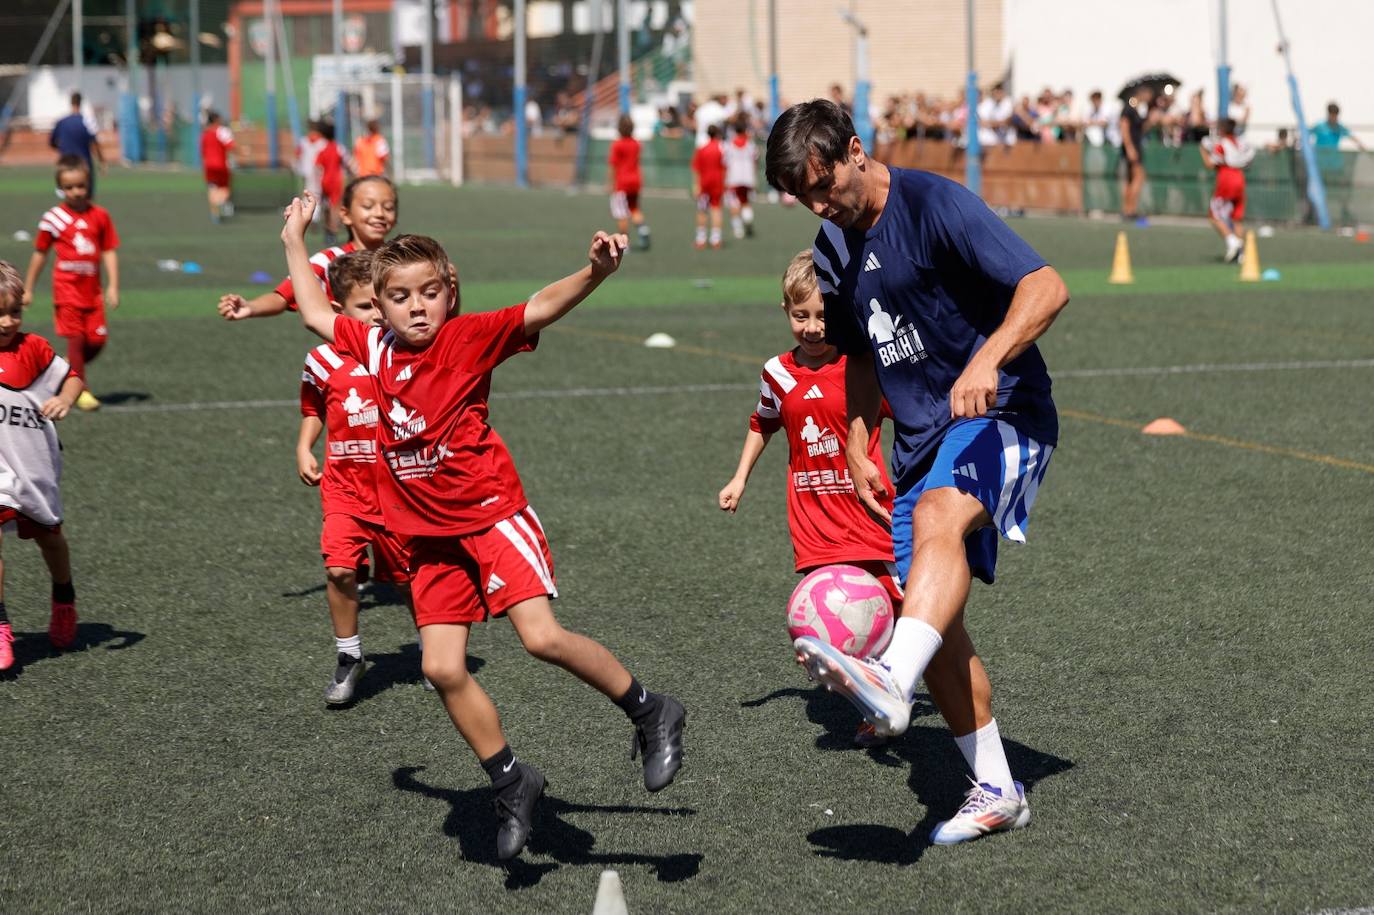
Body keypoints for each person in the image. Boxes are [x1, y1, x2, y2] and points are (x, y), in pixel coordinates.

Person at [280, 192, 687, 861]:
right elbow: (314, 309)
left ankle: (650, 709)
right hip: (429, 539)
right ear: (377, 306)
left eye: (431, 292)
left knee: (541, 637)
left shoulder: (467, 339)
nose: (418, 306)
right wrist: (294, 240)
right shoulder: (371, 346)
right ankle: (511, 778)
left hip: (491, 517)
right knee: (441, 667)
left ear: (451, 294)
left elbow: (539, 305)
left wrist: (595, 272)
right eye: (403, 295)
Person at [765, 99, 1069, 845]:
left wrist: (988, 359)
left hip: (1006, 411)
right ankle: (997, 787)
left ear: (856, 150)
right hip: (918, 443)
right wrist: (862, 439)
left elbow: (1046, 286)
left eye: (823, 183)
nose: (818, 202)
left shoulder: (935, 203)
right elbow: (864, 353)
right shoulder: (833, 247)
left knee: (937, 524)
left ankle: (888, 680)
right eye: (803, 196)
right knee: (935, 627)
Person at [717, 250, 899, 747]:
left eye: (823, 316)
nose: (813, 328)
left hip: (869, 509)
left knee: (893, 608)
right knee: (833, 618)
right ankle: (872, 706)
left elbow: (903, 414)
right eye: (802, 316)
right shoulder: (776, 373)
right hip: (813, 517)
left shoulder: (859, 367)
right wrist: (740, 479)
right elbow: (764, 424)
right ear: (785, 312)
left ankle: (892, 682)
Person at [296, 250, 415, 704]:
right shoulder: (322, 362)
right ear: (337, 308)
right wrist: (304, 445)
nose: (375, 315)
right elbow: (312, 406)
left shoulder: (400, 352)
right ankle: (349, 657)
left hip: (399, 491)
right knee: (340, 568)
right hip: (344, 489)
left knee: (407, 579)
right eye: (364, 306)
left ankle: (431, 648)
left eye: (380, 304)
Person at [0, 260, 86, 672]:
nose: (7, 321)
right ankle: (0, 624)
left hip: (33, 461)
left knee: (50, 537)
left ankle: (64, 596)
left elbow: (71, 378)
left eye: (14, 311)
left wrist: (65, 399)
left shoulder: (32, 348)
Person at [217, 174, 397, 320]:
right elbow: (283, 296)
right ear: (345, 214)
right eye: (368, 206)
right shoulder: (330, 260)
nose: (379, 213)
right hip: (352, 359)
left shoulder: (401, 259)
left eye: (388, 207)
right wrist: (250, 307)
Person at [22, 156, 118, 412]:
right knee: (76, 342)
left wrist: (113, 285)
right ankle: (81, 391)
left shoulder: (100, 216)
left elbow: (108, 250)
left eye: (80, 186)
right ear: (60, 189)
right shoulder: (53, 218)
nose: (76, 192)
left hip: (93, 294)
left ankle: (63, 368)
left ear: (89, 184)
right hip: (67, 293)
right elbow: (40, 253)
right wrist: (29, 288)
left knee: (97, 342)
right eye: (69, 187)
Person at [1201, 118, 1254, 263]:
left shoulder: (1222, 144)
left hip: (1227, 178)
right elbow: (1249, 159)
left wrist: (1203, 151)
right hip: (1239, 178)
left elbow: (1210, 164)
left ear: (1222, 130)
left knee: (1214, 216)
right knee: (1236, 219)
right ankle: (1241, 254)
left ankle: (1233, 243)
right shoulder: (1239, 143)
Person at [607, 114, 651, 251]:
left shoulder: (617, 144)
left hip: (622, 182)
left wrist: (610, 184)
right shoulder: (637, 144)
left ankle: (624, 244)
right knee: (634, 208)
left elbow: (613, 165)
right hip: (635, 180)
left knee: (621, 213)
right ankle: (643, 229)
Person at [49, 93, 105, 198]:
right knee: (85, 198)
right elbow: (94, 144)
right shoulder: (88, 121)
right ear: (80, 102)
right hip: (83, 165)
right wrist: (101, 161)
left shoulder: (61, 122)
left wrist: (62, 149)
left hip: (65, 164)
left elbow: (52, 142)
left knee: (67, 196)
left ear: (71, 103)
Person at [1119, 86, 1154, 223]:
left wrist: (1149, 121)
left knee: (1131, 179)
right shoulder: (1129, 108)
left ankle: (1128, 210)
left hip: (1135, 146)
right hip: (1132, 147)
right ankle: (1130, 209)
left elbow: (1140, 130)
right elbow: (1124, 128)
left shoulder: (1136, 109)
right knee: (1138, 177)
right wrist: (1129, 148)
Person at [723, 115, 759, 240]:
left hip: (733, 178)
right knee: (745, 202)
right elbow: (755, 161)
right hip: (747, 178)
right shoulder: (750, 145)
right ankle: (747, 219)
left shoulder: (728, 145)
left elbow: (725, 163)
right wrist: (754, 177)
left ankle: (738, 229)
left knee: (734, 204)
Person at [691, 124, 726, 249]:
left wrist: (696, 185)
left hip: (704, 183)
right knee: (716, 209)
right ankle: (716, 239)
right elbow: (725, 167)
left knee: (702, 211)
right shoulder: (721, 148)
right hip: (717, 183)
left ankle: (701, 239)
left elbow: (696, 168)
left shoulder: (702, 149)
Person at [315, 122, 348, 245]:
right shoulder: (339, 147)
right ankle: (333, 233)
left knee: (326, 207)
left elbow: (318, 166)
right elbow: (347, 162)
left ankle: (327, 230)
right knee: (335, 207)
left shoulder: (321, 148)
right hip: (336, 181)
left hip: (324, 181)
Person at [200, 110, 235, 224]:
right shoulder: (222, 131)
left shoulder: (205, 134)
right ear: (216, 120)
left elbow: (202, 151)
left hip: (209, 166)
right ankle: (221, 203)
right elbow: (230, 145)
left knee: (212, 189)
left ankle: (215, 213)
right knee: (225, 189)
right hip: (221, 165)